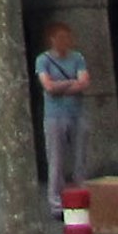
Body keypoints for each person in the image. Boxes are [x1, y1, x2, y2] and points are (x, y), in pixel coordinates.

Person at [34, 22, 93, 198]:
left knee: (80, 158)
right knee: (56, 160)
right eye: (61, 38)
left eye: (68, 37)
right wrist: (71, 83)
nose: (65, 41)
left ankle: (82, 195)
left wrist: (60, 86)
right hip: (55, 115)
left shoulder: (78, 58)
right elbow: (48, 87)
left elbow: (84, 82)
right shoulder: (43, 60)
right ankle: (56, 200)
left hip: (77, 113)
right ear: (52, 40)